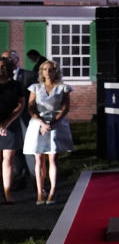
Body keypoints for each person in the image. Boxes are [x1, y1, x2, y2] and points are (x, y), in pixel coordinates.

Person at [24, 60, 73, 205]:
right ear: (41, 71)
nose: (48, 72)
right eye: (45, 69)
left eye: (50, 69)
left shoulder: (63, 88)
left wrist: (52, 123)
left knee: (52, 159)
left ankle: (52, 191)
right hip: (38, 124)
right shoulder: (35, 87)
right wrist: (41, 122)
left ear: (55, 71)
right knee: (38, 159)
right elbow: (31, 107)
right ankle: (40, 192)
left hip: (56, 123)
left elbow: (65, 108)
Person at [2, 50, 36, 189]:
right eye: (4, 59)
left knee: (29, 147)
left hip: (25, 117)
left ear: (16, 60)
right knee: (12, 150)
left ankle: (34, 177)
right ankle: (16, 177)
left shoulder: (29, 75)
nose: (6, 62)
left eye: (9, 59)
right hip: (8, 119)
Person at [0, 57, 25, 203]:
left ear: (9, 69)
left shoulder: (16, 85)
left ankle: (7, 192)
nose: (1, 69)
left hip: (11, 124)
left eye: (4, 67)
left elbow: (20, 105)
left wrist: (6, 123)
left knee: (8, 159)